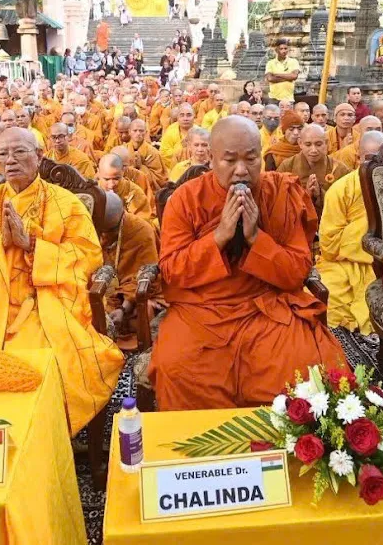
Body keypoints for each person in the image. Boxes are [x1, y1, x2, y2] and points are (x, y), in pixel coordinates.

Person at [0, 128, 124, 435]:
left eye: (19, 152)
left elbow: (87, 257)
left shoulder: (66, 203)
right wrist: (0, 245)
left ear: (39, 156)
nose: (10, 160)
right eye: (3, 154)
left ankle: (35, 435)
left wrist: (31, 244)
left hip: (45, 303)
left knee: (44, 362)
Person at [148, 117, 346, 410]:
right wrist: (219, 236)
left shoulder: (280, 193)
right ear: (211, 158)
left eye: (251, 159)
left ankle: (284, 439)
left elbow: (296, 272)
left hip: (267, 306)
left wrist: (256, 238)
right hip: (202, 310)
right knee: (175, 367)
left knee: (308, 368)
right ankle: (203, 439)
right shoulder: (185, 199)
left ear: (261, 156)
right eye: (230, 160)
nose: (242, 170)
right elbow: (172, 271)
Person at [316, 131, 383, 334]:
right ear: (358, 158)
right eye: (369, 159)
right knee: (326, 293)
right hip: (342, 262)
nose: (376, 166)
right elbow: (328, 244)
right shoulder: (340, 189)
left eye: (381, 159)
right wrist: (363, 237)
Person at [98, 191, 159, 346]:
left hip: (131, 297)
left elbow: (144, 274)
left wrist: (123, 309)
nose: (105, 236)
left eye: (109, 231)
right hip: (100, 290)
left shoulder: (141, 231)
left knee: (145, 312)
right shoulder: (88, 225)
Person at [276, 124, 351, 214]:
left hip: (328, 219)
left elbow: (346, 203)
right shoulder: (287, 166)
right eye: (308, 145)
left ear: (326, 143)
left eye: (318, 144)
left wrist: (320, 194)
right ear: (300, 143)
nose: (313, 150)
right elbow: (278, 201)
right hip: (296, 219)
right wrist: (305, 194)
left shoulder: (339, 169)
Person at [97, 152, 153, 221]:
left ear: (123, 171)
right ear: (98, 172)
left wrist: (121, 216)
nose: (111, 184)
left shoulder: (134, 192)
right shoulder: (93, 192)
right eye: (106, 179)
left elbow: (144, 223)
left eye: (116, 179)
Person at [126, 119, 167, 190]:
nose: (138, 133)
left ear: (146, 132)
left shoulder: (153, 152)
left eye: (141, 131)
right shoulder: (123, 150)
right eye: (135, 131)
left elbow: (159, 179)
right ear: (129, 132)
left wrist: (141, 167)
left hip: (148, 190)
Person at [264, 40, 300, 104]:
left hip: (288, 99)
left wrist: (277, 75)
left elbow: (294, 76)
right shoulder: (270, 63)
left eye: (285, 48)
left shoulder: (293, 61)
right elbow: (270, 78)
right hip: (273, 99)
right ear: (276, 50)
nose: (284, 51)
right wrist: (288, 78)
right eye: (281, 49)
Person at [159, 103, 195, 168]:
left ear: (194, 116)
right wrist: (181, 147)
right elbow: (164, 153)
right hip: (174, 168)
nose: (185, 118)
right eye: (182, 115)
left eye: (189, 115)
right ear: (178, 117)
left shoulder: (199, 132)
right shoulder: (171, 131)